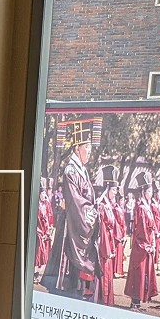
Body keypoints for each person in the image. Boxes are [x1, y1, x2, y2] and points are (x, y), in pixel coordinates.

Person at [44, 120, 100, 301]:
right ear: (77, 149)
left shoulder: (82, 170)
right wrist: (89, 212)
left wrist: (93, 208)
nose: (89, 152)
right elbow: (75, 200)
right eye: (87, 148)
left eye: (90, 149)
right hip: (71, 223)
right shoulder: (70, 171)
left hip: (79, 219)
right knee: (67, 261)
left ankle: (75, 290)